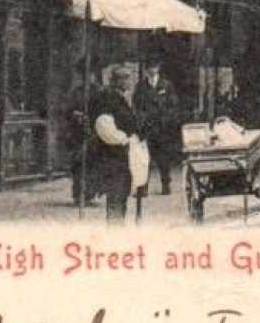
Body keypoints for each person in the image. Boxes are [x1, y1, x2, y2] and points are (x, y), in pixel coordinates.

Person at [91, 67, 142, 222]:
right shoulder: (108, 98)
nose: (128, 81)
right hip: (112, 155)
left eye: (129, 77)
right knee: (115, 194)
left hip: (122, 155)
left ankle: (118, 225)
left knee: (122, 193)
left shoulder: (123, 97)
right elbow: (104, 126)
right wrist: (123, 139)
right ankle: (114, 230)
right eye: (124, 78)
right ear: (116, 81)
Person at [133, 56, 181, 196]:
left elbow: (174, 105)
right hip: (147, 126)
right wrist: (141, 119)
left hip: (162, 127)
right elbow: (136, 105)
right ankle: (143, 187)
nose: (152, 69)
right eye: (149, 67)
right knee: (144, 157)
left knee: (163, 157)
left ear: (158, 68)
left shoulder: (166, 85)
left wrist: (166, 119)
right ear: (146, 70)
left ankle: (166, 184)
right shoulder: (141, 86)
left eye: (154, 66)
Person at [63, 61, 99, 207]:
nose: (89, 78)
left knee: (92, 164)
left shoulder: (99, 91)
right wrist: (75, 114)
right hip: (78, 132)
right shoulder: (77, 92)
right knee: (78, 163)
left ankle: (90, 194)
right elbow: (68, 110)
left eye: (91, 75)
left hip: (95, 132)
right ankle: (78, 194)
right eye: (86, 75)